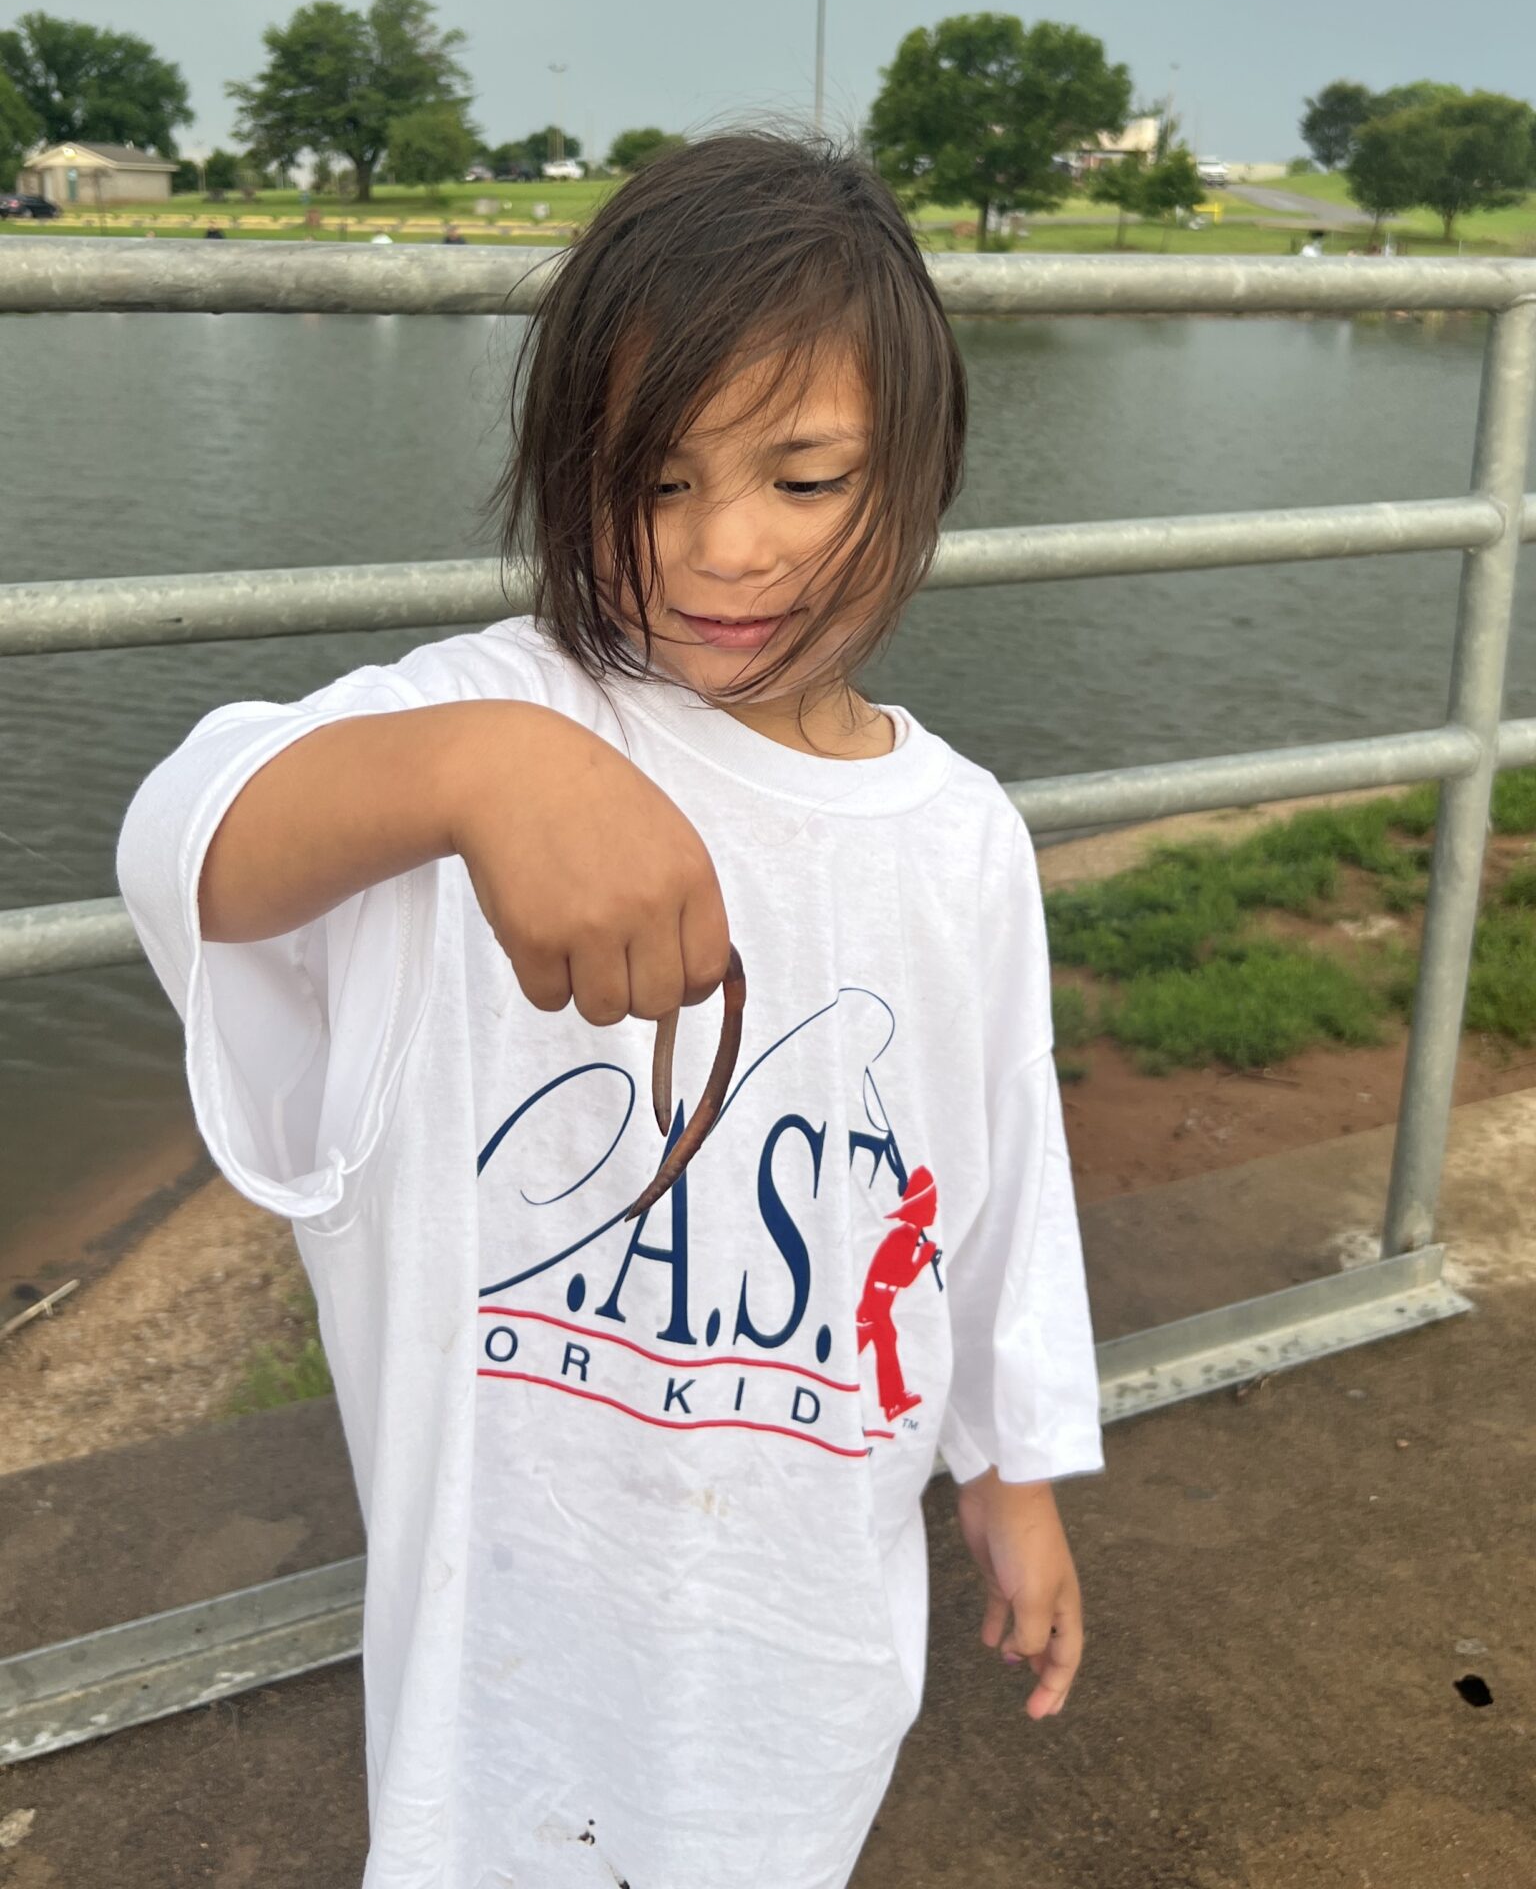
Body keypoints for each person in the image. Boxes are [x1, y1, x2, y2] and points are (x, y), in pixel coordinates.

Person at [116, 127, 1103, 1889]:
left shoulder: (961, 839)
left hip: (810, 1638)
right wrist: (472, 773)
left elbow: (998, 1180)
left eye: (805, 481)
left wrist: (1010, 1475)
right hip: (502, 1689)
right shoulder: (489, 712)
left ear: (924, 466)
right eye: (654, 484)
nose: (727, 550)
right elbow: (187, 843)